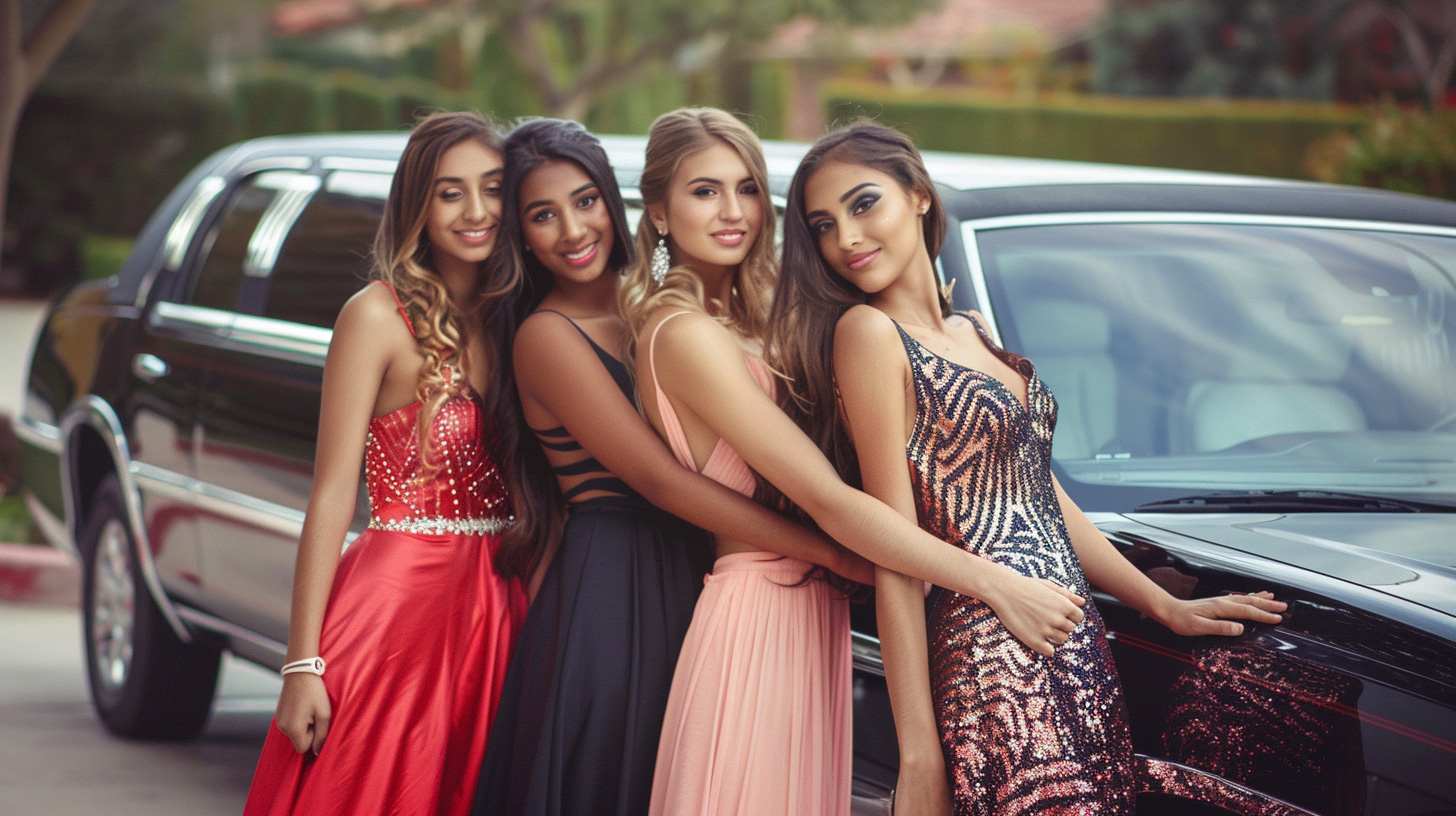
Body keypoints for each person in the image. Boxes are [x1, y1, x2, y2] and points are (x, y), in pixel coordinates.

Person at [769, 119, 1288, 815]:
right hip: (992, 659)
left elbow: (1041, 495)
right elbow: (891, 546)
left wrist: (1162, 604)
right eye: (824, 226)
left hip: (1074, 646)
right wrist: (918, 753)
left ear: (919, 195)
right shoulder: (867, 334)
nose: (848, 239)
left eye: (865, 205)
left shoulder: (970, 331)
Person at [619, 108, 1098, 816]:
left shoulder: (762, 326)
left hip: (817, 618)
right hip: (757, 617)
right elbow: (833, 501)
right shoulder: (683, 332)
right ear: (658, 213)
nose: (734, 212)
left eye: (748, 189)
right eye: (704, 192)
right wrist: (995, 584)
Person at [469, 119, 871, 816]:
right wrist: (831, 552)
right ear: (521, 234)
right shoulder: (548, 334)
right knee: (618, 777)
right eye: (543, 213)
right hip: (615, 584)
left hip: (696, 563)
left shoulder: (662, 307)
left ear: (616, 204)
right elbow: (659, 480)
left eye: (586, 200)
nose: (572, 229)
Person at [243, 111, 532, 816]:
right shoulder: (376, 316)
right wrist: (302, 664)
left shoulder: (521, 316)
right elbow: (332, 497)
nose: (476, 211)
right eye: (449, 192)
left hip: (505, 601)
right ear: (417, 206)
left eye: (493, 188)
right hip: (399, 604)